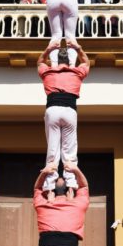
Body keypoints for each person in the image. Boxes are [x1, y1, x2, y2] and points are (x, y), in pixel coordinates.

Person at [37, 43, 90, 191]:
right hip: (69, 111)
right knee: (69, 151)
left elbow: (40, 61)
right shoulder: (76, 72)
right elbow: (86, 61)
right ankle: (72, 185)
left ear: (55, 60)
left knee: (52, 150)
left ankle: (49, 186)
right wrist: (78, 48)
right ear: (70, 61)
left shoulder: (48, 72)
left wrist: (48, 49)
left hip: (52, 110)